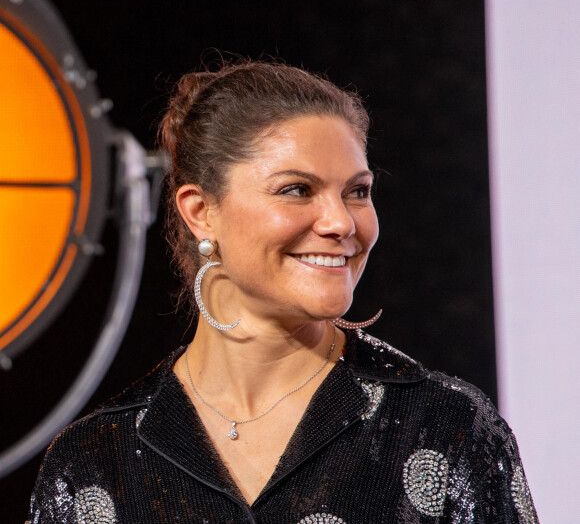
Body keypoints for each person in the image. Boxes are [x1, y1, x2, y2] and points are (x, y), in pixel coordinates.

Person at [28, 60, 538, 523]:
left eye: (357, 192)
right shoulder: (94, 460)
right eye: (297, 190)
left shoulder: (446, 427)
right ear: (201, 212)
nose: (341, 221)